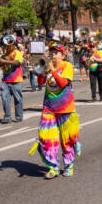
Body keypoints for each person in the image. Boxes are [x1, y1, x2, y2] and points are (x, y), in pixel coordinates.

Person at [31, 42, 80, 179]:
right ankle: (53, 167)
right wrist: (41, 71)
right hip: (49, 108)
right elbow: (41, 82)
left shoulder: (67, 66)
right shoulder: (49, 67)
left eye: (56, 52)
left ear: (63, 55)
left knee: (67, 139)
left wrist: (52, 70)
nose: (52, 54)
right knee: (47, 138)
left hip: (65, 108)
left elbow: (63, 83)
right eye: (51, 52)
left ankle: (69, 165)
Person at [0, 37, 24, 124]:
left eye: (10, 44)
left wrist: (5, 61)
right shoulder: (4, 55)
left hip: (16, 80)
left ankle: (19, 116)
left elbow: (17, 63)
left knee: (18, 99)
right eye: (7, 44)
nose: (8, 46)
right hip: (5, 80)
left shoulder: (17, 52)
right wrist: (2, 60)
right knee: (5, 99)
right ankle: (7, 116)